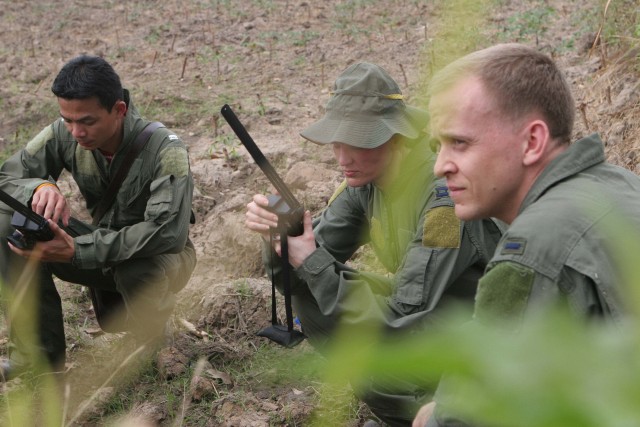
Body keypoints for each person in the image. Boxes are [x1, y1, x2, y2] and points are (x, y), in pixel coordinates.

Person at [245, 62, 504, 426]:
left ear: (395, 138)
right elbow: (302, 273)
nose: (342, 158)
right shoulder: (365, 185)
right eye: (337, 142)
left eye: (357, 143)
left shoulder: (444, 202)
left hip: (483, 340)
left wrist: (312, 261)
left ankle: (438, 414)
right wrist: (280, 233)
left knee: (371, 354)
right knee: (312, 297)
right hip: (426, 314)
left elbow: (401, 316)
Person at [413, 43, 640, 427]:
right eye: (438, 146)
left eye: (459, 143)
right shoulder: (620, 183)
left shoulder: (535, 247)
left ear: (532, 142)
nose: (439, 167)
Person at [0, 55, 197, 380]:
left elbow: (167, 234)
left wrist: (80, 251)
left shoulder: (166, 150)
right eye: (67, 120)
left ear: (119, 110)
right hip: (100, 249)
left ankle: (158, 349)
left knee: (137, 265)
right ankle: (39, 359)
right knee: (9, 226)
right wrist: (39, 186)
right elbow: (7, 177)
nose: (76, 131)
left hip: (162, 261)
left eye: (87, 121)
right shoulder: (63, 134)